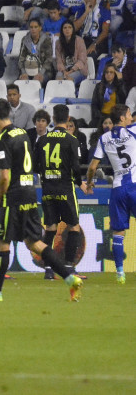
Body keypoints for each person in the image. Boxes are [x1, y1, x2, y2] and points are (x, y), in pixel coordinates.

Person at [0, 98, 82, 302]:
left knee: (2, 242)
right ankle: (69, 278)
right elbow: (21, 161)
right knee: (34, 242)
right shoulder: (22, 132)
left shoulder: (2, 138)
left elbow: (5, 177)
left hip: (12, 197)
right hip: (29, 193)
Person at [85, 104, 136, 284]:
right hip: (135, 186)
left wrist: (90, 182)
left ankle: (120, 272)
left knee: (118, 232)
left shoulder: (104, 138)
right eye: (129, 114)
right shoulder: (133, 130)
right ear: (122, 118)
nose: (131, 117)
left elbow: (92, 166)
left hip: (118, 189)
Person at [35, 104, 86, 280]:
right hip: (65, 188)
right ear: (68, 118)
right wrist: (80, 183)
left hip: (47, 189)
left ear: (53, 119)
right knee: (74, 227)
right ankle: (69, 268)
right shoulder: (72, 140)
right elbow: (76, 167)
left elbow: (35, 166)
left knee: (50, 228)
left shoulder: (42, 140)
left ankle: (48, 269)